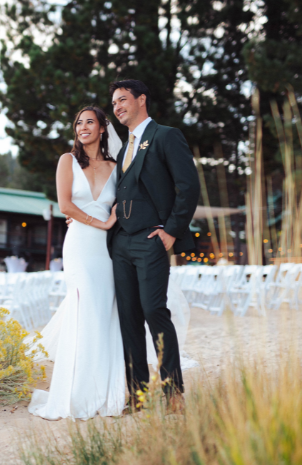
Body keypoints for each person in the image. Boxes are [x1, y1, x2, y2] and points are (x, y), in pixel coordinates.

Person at [28, 106, 126, 420]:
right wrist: (100, 224)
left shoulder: (117, 165)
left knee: (104, 313)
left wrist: (116, 223)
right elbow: (65, 204)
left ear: (102, 128)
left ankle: (106, 393)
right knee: (84, 310)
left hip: (108, 251)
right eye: (78, 123)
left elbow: (124, 204)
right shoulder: (66, 161)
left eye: (89, 122)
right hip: (81, 247)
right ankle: (76, 394)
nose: (83, 127)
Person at [108, 79, 200, 412]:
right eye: (114, 103)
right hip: (121, 243)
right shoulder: (122, 149)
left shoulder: (165, 136)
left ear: (141, 100)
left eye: (123, 100)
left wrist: (172, 231)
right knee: (129, 317)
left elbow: (188, 187)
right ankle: (138, 394)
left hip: (151, 240)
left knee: (153, 311)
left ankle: (173, 391)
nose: (117, 107)